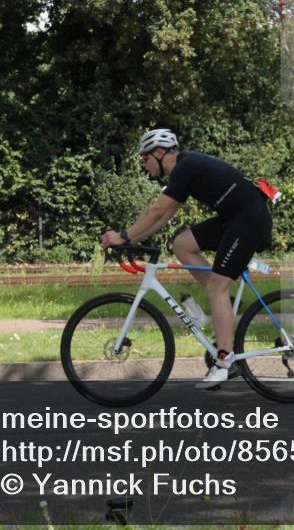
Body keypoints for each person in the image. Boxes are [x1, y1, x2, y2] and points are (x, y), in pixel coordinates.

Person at [100, 128, 273, 388]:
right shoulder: (184, 169)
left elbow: (156, 210)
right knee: (181, 244)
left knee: (217, 287)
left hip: (249, 219)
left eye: (144, 158)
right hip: (235, 218)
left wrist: (123, 235)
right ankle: (220, 301)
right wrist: (132, 241)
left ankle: (225, 362)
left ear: (159, 153)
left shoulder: (185, 166)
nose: (143, 165)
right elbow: (163, 216)